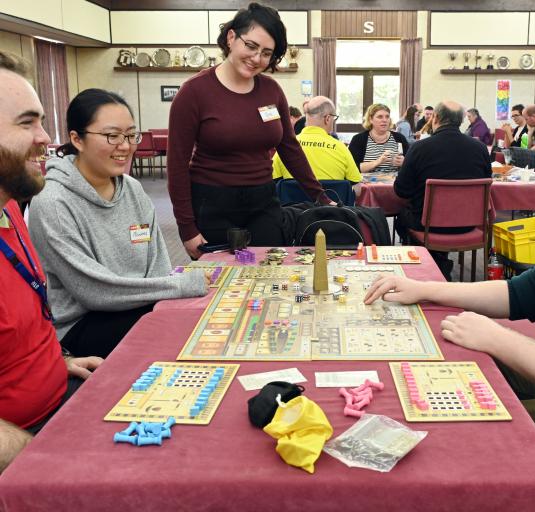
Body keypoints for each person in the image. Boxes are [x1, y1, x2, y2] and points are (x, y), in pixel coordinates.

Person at [366, 80, 535, 495]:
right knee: (446, 349)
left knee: (456, 434)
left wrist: (497, 339)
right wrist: (427, 290)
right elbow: (524, 292)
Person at [28, 89, 210, 359]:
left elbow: (159, 265)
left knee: (204, 320)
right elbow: (95, 292)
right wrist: (182, 286)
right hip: (84, 325)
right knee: (181, 339)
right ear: (77, 139)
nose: (124, 146)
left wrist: (171, 295)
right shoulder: (53, 202)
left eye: (130, 135)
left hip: (140, 305)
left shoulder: (133, 190)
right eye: (112, 136)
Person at [0, 51, 102, 473]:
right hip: (25, 445)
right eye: (27, 123)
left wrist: (56, 361)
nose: (46, 137)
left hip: (62, 393)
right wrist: (40, 462)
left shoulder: (10, 208)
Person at [167, 3, 327, 259]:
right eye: (251, 46)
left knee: (270, 274)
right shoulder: (193, 93)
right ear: (231, 37)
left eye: (266, 53)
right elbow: (176, 165)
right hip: (211, 203)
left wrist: (320, 196)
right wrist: (186, 227)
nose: (256, 59)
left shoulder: (271, 90)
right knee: (219, 285)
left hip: (263, 202)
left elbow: (289, 147)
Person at [393, 101, 492, 280]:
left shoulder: (419, 148)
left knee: (402, 217)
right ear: (461, 120)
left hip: (427, 226)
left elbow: (402, 191)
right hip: (468, 225)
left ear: (435, 118)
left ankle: (427, 265)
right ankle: (439, 262)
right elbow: (487, 182)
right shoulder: (480, 148)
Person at [272, 96, 362, 196]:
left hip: (294, 210)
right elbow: (357, 190)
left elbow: (272, 182)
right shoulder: (341, 148)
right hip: (332, 210)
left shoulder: (287, 147)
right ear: (327, 119)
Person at [348, 103, 409, 173]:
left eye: (387, 117)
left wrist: (404, 163)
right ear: (370, 119)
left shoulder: (399, 138)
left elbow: (412, 165)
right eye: (380, 117)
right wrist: (378, 162)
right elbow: (352, 168)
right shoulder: (359, 139)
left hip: (395, 183)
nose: (384, 120)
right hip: (366, 183)